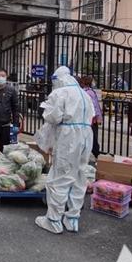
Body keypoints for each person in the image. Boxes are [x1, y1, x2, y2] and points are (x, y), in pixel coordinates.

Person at [35, 66, 94, 234]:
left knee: (60, 177)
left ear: (57, 80)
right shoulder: (84, 94)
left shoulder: (60, 93)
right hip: (86, 136)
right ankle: (72, 219)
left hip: (69, 137)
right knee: (79, 176)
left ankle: (53, 220)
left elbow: (53, 117)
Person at [0, 68, 20, 156]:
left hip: (5, 125)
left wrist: (15, 125)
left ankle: (2, 168)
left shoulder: (11, 90)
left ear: (6, 77)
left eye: (3, 76)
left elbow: (15, 109)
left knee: (4, 151)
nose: (1, 77)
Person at [79, 75, 102, 159]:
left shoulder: (84, 92)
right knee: (93, 138)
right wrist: (98, 117)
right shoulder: (90, 92)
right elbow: (95, 106)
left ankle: (93, 154)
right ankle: (96, 154)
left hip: (89, 119)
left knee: (90, 138)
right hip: (92, 119)